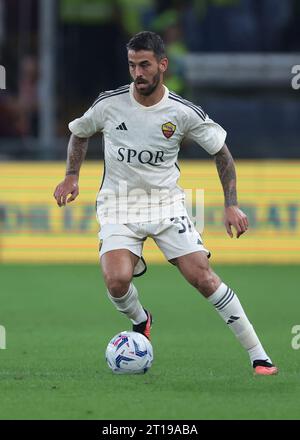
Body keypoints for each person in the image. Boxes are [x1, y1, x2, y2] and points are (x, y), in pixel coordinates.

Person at [54, 31, 278, 375]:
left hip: (166, 206)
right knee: (116, 281)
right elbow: (80, 131)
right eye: (132, 65)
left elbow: (222, 152)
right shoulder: (109, 104)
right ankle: (141, 320)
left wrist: (231, 204)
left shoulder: (182, 112)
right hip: (119, 205)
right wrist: (72, 175)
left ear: (162, 64)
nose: (137, 73)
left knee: (202, 278)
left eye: (144, 65)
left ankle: (259, 355)